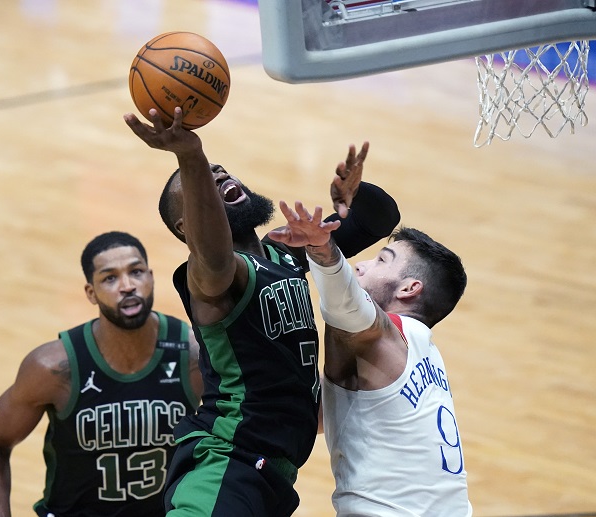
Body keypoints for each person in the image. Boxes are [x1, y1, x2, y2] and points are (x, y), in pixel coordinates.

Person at [123, 107, 400, 516]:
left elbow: (381, 219)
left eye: (221, 171)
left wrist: (355, 197)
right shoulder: (212, 277)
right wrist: (191, 156)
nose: (219, 177)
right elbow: (213, 253)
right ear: (188, 226)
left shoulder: (284, 251)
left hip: (271, 473)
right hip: (225, 463)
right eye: (205, 184)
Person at [0, 231, 203, 517]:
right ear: (90, 293)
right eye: (110, 278)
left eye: (136, 272)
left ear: (152, 277)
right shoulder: (53, 367)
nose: (127, 286)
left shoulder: (194, 355)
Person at [269, 198, 473, 516]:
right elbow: (325, 415)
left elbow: (347, 305)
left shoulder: (385, 337)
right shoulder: (426, 352)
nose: (361, 265)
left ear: (409, 288)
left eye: (381, 260)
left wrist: (322, 250)